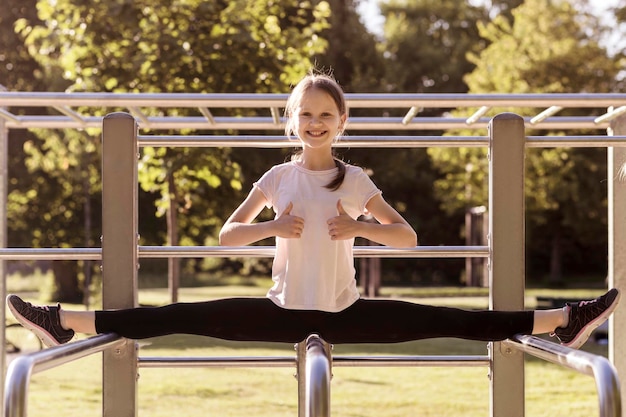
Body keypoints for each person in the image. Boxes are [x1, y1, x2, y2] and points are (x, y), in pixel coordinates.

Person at [6, 72, 621, 351]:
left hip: (347, 314)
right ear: (291, 122)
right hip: (277, 313)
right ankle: (62, 322)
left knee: (463, 322)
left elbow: (406, 237)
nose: (315, 123)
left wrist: (359, 225)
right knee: (166, 316)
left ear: (341, 122)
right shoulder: (277, 176)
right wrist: (271, 225)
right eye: (305, 115)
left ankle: (567, 319)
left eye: (326, 114)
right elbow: (226, 238)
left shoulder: (355, 180)